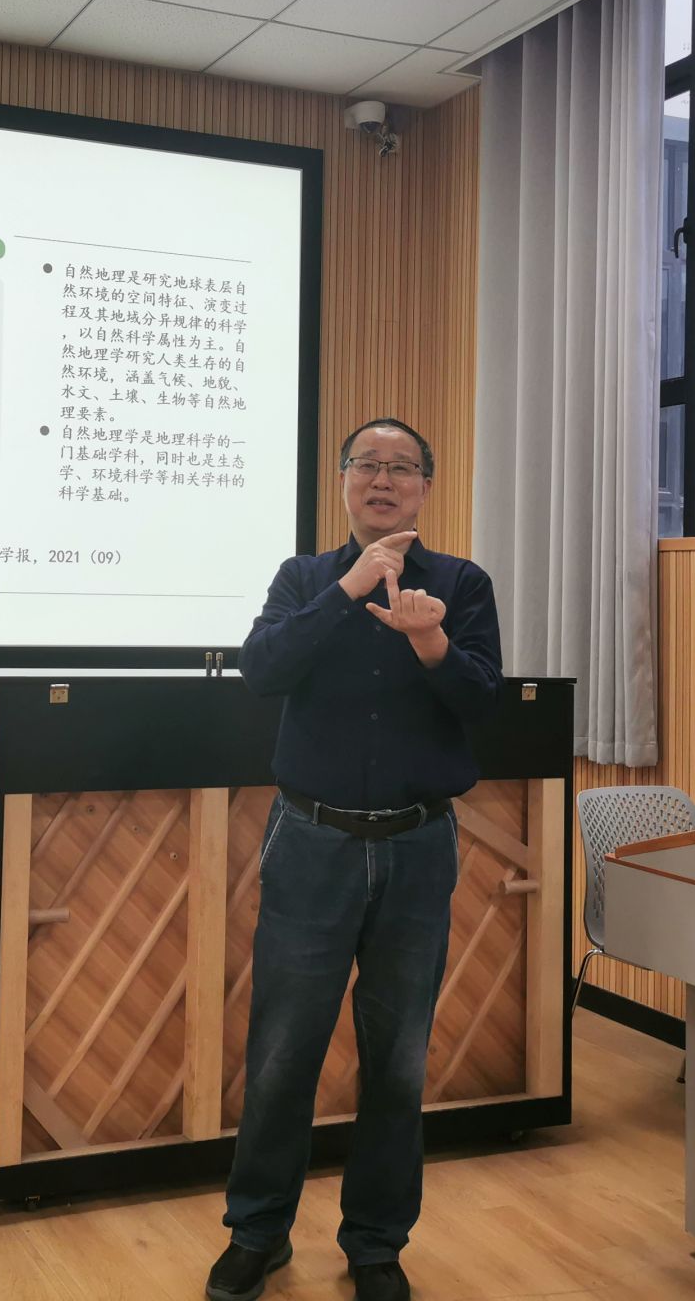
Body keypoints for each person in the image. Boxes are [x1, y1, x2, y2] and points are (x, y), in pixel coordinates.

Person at [206, 418, 503, 1301]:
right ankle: (258, 1232)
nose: (383, 480)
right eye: (367, 465)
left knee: (399, 1057)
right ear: (341, 481)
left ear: (425, 487)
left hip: (418, 842)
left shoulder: (462, 584)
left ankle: (376, 1243)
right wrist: (350, 588)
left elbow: (482, 698)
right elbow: (262, 669)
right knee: (282, 1051)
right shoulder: (304, 579)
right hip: (312, 840)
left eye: (401, 467)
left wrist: (430, 642)